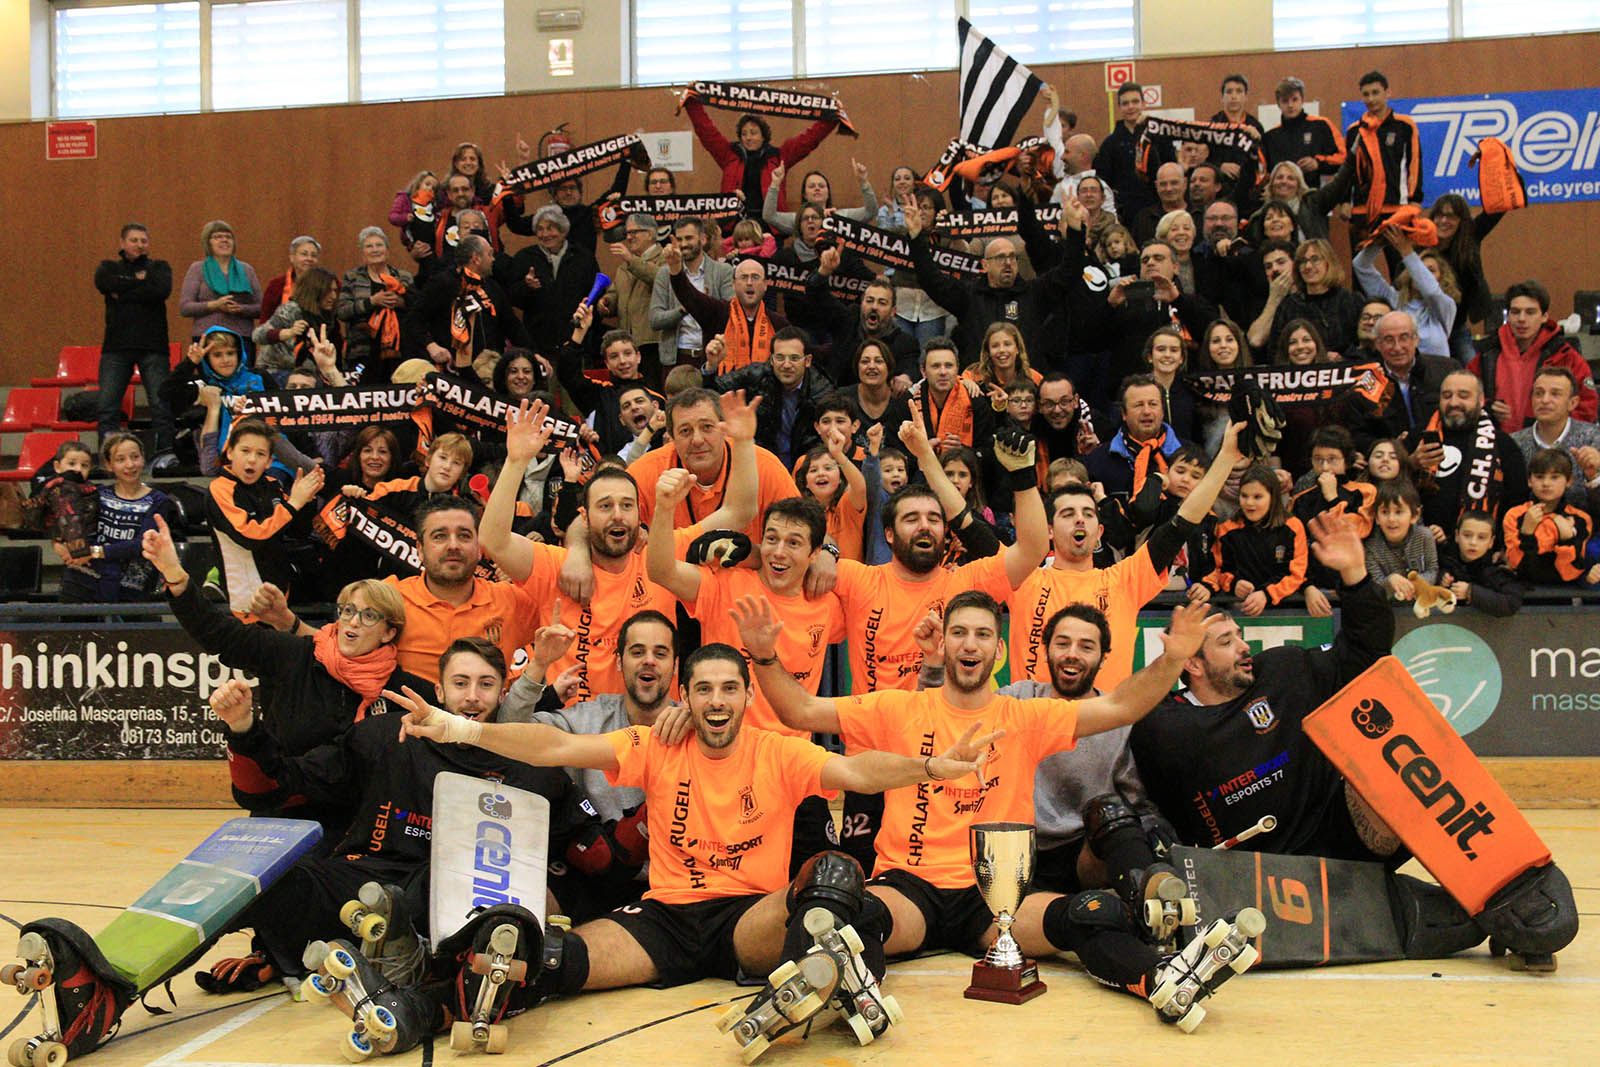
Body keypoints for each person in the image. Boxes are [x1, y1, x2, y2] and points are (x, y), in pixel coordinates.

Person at [390, 642, 993, 1055]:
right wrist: (459, 727)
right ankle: (417, 1009)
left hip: (747, 919)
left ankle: (827, 981)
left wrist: (934, 765)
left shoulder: (778, 751)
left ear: (747, 695)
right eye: (704, 689)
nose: (717, 701)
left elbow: (860, 772)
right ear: (687, 695)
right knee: (546, 958)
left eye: (729, 688)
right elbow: (553, 748)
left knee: (830, 877)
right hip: (667, 918)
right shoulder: (655, 742)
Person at [737, 591, 1263, 1030]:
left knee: (1087, 915)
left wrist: (1173, 659)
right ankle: (839, 994)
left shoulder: (1024, 717)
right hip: (909, 890)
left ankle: (1168, 980)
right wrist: (764, 657)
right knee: (852, 915)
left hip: (995, 896)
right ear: (943, 643)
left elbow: (1121, 706)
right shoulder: (897, 707)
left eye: (983, 634)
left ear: (1000, 649)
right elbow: (800, 710)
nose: (970, 643)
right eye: (960, 632)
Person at [199, 637, 626, 995]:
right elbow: (279, 784)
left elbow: (594, 853)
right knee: (276, 879)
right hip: (366, 877)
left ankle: (390, 954)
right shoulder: (385, 736)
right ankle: (135, 979)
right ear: (439, 690)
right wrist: (243, 730)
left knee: (454, 905)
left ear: (502, 693)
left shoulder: (532, 766)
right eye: (460, 683)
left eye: (485, 684)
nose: (472, 697)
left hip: (456, 897)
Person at [143, 511, 427, 822]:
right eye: (348, 611)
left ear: (389, 632)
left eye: (369, 616)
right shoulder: (294, 654)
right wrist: (175, 575)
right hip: (284, 813)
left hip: (361, 821)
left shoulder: (403, 692)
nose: (353, 622)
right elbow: (220, 635)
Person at [482, 394, 758, 704]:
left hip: (651, 730)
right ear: (584, 516)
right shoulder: (555, 566)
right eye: (605, 505)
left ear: (640, 514)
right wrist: (516, 461)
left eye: (626, 505)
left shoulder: (662, 556)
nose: (617, 514)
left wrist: (744, 442)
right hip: (574, 729)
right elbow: (494, 540)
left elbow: (739, 511)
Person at [1013, 423, 1243, 691]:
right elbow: (971, 529)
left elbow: (1182, 523)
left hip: (1107, 724)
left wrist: (1226, 456)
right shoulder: (1023, 578)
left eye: (1088, 514)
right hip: (1035, 724)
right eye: (1068, 514)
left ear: (1099, 532)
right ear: (1049, 530)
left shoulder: (1124, 580)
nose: (1079, 519)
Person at [628, 387, 801, 548]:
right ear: (671, 437)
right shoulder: (647, 470)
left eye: (707, 427)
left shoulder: (763, 465)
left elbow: (803, 526)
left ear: (724, 429)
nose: (697, 440)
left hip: (748, 576)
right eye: (685, 431)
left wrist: (827, 550)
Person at [205, 419, 323, 615]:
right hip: (247, 600)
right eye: (245, 451)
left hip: (281, 591)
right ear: (230, 452)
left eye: (260, 454)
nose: (252, 459)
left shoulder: (272, 484)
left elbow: (298, 530)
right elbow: (250, 536)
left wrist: (307, 499)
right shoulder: (219, 489)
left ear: (269, 461)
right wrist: (293, 503)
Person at [1468, 280, 1598, 435]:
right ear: (1507, 315)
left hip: (1549, 447)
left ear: (1544, 317)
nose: (1521, 319)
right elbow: (1466, 397)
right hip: (1496, 443)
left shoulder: (1566, 356)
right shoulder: (1486, 354)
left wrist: (1553, 428)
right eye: (1515, 312)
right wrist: (1488, 409)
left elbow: (1587, 408)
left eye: (1530, 312)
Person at [58, 434, 175, 604]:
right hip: (83, 579)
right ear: (109, 465)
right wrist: (62, 546)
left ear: (143, 459)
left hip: (131, 586)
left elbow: (141, 544)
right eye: (120, 459)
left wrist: (94, 552)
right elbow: (71, 525)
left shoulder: (159, 501)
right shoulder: (95, 495)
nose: (130, 465)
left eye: (135, 457)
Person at [1418, 371, 1528, 543]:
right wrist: (1411, 463)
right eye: (1447, 396)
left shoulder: (1503, 444)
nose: (1454, 403)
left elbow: (1518, 502)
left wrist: (1503, 545)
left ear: (1481, 400)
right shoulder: (1420, 439)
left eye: (1463, 396)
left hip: (1483, 551)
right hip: (1425, 548)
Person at [683, 98, 839, 219]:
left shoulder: (779, 157)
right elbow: (707, 132)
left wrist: (832, 117)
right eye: (744, 134)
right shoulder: (729, 155)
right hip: (735, 225)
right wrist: (692, 104)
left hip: (770, 227)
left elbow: (809, 140)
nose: (748, 137)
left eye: (753, 132)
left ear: (764, 136)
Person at [94, 222, 175, 454]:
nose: (140, 245)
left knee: (161, 406)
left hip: (154, 347)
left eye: (144, 241)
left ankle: (165, 456)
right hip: (116, 347)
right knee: (107, 406)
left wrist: (124, 291)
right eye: (134, 240)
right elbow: (105, 283)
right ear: (122, 243)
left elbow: (160, 291)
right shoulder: (108, 267)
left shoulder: (160, 267)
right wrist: (140, 282)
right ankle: (108, 457)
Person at [1343, 311, 1460, 453]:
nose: (1397, 347)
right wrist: (1391, 447)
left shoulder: (1447, 370)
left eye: (1404, 338)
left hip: (1447, 453)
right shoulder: (1362, 383)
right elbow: (1357, 435)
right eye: (1389, 340)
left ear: (1416, 339)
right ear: (1378, 344)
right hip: (1391, 464)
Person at [1203, 464, 1308, 614]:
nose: (1249, 503)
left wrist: (1267, 594)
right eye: (1244, 496)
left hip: (1284, 608)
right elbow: (1220, 570)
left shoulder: (1293, 527)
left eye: (1257, 497)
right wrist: (1234, 584)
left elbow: (1296, 573)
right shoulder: (1227, 529)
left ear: (1273, 497)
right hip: (1240, 608)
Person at [805, 253, 921, 384]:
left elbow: (911, 369)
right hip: (839, 398)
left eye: (882, 302)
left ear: (893, 311)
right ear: (861, 304)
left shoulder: (905, 343)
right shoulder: (847, 321)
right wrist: (824, 271)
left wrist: (906, 377)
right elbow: (816, 295)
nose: (874, 307)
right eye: (869, 300)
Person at [669, 246, 787, 375]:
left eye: (755, 277)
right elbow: (689, 296)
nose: (749, 282)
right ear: (733, 284)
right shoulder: (717, 313)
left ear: (765, 285)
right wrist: (676, 270)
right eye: (743, 277)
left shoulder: (779, 324)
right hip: (720, 391)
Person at [417, 235, 529, 368]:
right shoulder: (441, 284)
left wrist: (533, 354)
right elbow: (414, 321)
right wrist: (431, 345)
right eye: (490, 254)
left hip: (490, 368)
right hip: (453, 369)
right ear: (476, 258)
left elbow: (512, 326)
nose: (493, 259)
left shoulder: (492, 287)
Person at [509, 205, 603, 359]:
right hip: (539, 344)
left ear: (563, 231)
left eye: (550, 228)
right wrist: (526, 287)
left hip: (578, 343)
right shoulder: (524, 258)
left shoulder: (583, 257)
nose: (545, 234)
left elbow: (595, 295)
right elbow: (513, 298)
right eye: (540, 229)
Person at [1344, 71, 1424, 249]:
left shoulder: (1405, 125)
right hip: (1361, 209)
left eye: (1375, 92)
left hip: (1396, 207)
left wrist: (1415, 199)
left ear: (1388, 93)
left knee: (1401, 267)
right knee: (1359, 267)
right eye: (1366, 94)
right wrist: (1343, 201)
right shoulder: (1354, 131)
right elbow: (1347, 170)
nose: (1371, 99)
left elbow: (1415, 163)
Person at [1352, 228, 1458, 359]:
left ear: (1442, 279)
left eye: (1431, 270)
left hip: (1435, 375)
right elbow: (1360, 266)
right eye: (1418, 268)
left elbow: (1431, 292)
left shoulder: (1445, 307)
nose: (1422, 274)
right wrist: (1379, 243)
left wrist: (1407, 252)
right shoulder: (1393, 300)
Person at [1503, 449, 1600, 587]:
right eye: (1539, 476)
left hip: (1564, 597)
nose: (1546, 483)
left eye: (1554, 477)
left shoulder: (1580, 519)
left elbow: (1570, 573)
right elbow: (1517, 566)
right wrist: (1526, 533)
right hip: (1522, 595)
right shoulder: (1515, 515)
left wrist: (1566, 540)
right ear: (1529, 480)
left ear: (1569, 481)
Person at [1251, 237, 1362, 356]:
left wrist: (1343, 358)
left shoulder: (1351, 300)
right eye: (1302, 261)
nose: (1308, 266)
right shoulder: (1289, 305)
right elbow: (1276, 352)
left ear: (1328, 263)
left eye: (1315, 259)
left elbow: (1365, 344)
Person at [649, 217, 735, 370]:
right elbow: (655, 320)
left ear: (703, 239)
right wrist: (684, 309)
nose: (683, 244)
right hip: (677, 358)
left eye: (689, 238)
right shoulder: (664, 273)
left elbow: (732, 313)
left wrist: (705, 304)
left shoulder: (723, 271)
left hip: (713, 355)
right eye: (679, 239)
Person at [1511, 367, 1600, 509]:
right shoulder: (1513, 443)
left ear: (1573, 403)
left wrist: (1595, 477)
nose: (1545, 400)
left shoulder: (1594, 438)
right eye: (1538, 393)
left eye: (1555, 394)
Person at [1085, 375, 1184, 499]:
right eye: (1138, 405)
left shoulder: (1186, 455)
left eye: (1153, 404)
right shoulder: (1097, 461)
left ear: (1163, 411)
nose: (1147, 411)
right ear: (1123, 414)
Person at [338, 227, 415, 381]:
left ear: (387, 250)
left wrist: (400, 303)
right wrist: (371, 302)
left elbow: (417, 309)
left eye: (379, 245)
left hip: (399, 350)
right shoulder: (352, 277)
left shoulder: (403, 277)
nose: (375, 250)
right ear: (362, 252)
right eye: (369, 246)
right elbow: (342, 312)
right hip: (362, 351)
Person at [602, 212, 666, 384]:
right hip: (626, 343)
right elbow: (615, 293)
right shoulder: (625, 266)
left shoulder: (666, 257)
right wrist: (607, 302)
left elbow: (661, 280)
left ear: (651, 234)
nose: (629, 237)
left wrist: (631, 260)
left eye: (634, 232)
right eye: (627, 233)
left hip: (652, 342)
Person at [1096, 82, 1168, 220]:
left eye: (1135, 101)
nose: (1131, 107)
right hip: (1125, 212)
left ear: (1143, 103)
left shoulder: (1160, 137)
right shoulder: (1110, 144)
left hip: (1159, 206)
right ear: (1120, 107)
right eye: (1125, 103)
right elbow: (1104, 181)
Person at [180, 220, 262, 340]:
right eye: (218, 237)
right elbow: (185, 307)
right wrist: (215, 305)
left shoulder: (247, 270)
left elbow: (261, 308)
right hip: (207, 336)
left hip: (241, 336)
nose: (224, 240)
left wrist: (241, 309)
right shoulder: (197, 269)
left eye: (228, 237)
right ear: (208, 243)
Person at [253, 266, 342, 378]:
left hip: (308, 373)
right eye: (328, 291)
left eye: (335, 290)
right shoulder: (292, 309)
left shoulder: (328, 316)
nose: (333, 296)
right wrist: (288, 332)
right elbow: (257, 335)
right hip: (276, 371)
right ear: (315, 290)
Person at [912, 338, 994, 457]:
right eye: (935, 366)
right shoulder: (909, 401)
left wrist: (963, 451)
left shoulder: (975, 401)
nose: (943, 372)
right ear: (923, 371)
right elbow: (895, 453)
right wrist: (921, 453)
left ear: (957, 369)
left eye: (949, 366)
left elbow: (988, 452)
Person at [1263, 77, 1346, 189]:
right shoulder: (1270, 137)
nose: (1290, 105)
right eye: (1285, 101)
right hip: (1281, 199)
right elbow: (1264, 173)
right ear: (1278, 104)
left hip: (1312, 197)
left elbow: (1343, 158)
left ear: (1302, 100)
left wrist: (1318, 164)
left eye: (1294, 99)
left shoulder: (1321, 125)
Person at [1437, 510, 1524, 617]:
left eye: (1481, 537)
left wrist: (1471, 592)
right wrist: (1440, 577)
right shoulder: (1444, 557)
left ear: (1491, 542)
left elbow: (1511, 603)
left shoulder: (1496, 569)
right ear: (1457, 536)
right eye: (1467, 535)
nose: (1473, 542)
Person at [1364, 479, 1437, 604]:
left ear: (1414, 515)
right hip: (1387, 607)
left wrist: (1413, 584)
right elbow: (1374, 586)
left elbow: (1433, 571)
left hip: (1421, 603)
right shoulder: (1370, 546)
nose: (1391, 519)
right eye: (1385, 512)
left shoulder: (1425, 536)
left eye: (1398, 512)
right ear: (1376, 517)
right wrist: (1390, 581)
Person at [763, 159, 879, 235]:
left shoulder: (841, 216)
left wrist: (863, 182)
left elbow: (871, 212)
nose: (817, 188)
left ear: (828, 193)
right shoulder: (798, 219)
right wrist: (775, 184)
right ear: (804, 194)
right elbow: (769, 216)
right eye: (812, 186)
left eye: (821, 186)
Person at [259, 235, 322, 322]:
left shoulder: (326, 283)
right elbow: (265, 320)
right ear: (292, 257)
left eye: (314, 255)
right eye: (304, 254)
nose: (309, 259)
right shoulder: (276, 285)